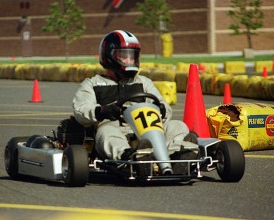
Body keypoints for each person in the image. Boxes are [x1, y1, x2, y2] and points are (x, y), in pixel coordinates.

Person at [72, 30, 196, 172]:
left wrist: (162, 109)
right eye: (124, 56)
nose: (130, 60)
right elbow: (80, 111)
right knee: (105, 132)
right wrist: (103, 111)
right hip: (116, 130)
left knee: (177, 125)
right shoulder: (92, 84)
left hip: (147, 131)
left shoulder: (143, 82)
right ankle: (131, 157)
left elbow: (165, 109)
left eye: (132, 56)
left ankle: (177, 156)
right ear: (109, 56)